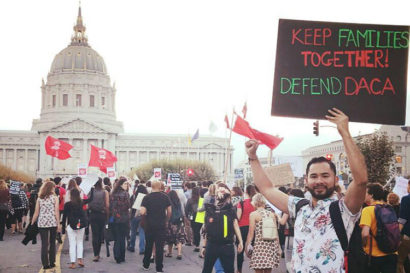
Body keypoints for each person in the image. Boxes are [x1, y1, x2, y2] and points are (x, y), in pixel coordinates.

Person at [245, 108, 368, 273]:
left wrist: (344, 132)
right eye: (314, 176)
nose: (319, 181)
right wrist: (253, 157)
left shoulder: (344, 209)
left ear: (335, 179)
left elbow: (361, 180)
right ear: (306, 180)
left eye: (325, 175)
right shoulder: (299, 206)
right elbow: (266, 188)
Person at [201, 183, 243, 273]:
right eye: (219, 189)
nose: (221, 190)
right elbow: (206, 228)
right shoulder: (210, 208)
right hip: (212, 244)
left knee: (228, 270)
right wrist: (204, 246)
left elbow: (235, 224)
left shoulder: (230, 209)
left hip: (226, 245)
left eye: (223, 189)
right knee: (207, 269)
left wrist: (240, 241)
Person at [360, 183, 398, 273]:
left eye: (365, 192)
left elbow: (365, 233)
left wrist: (363, 245)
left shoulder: (367, 210)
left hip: (375, 255)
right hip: (392, 253)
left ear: (371, 195)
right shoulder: (389, 208)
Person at [140, 180, 171, 273]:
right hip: (161, 225)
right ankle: (159, 268)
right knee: (159, 247)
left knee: (149, 245)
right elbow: (169, 211)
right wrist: (166, 220)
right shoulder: (165, 197)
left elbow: (142, 211)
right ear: (160, 186)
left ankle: (146, 265)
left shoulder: (146, 197)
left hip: (149, 225)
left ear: (151, 187)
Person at [245, 193, 280, 273]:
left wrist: (247, 246)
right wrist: (279, 248)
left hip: (259, 246)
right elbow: (275, 233)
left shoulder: (253, 215)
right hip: (271, 245)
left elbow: (251, 234)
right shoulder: (271, 214)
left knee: (258, 270)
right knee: (268, 270)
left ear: (255, 202)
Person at [31, 180, 61, 270]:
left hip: (42, 223)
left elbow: (36, 212)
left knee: (44, 243)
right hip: (52, 222)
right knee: (52, 243)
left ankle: (45, 264)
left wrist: (32, 223)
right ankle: (52, 262)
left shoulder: (40, 198)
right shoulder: (55, 198)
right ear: (51, 188)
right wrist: (58, 224)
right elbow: (56, 212)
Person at [62, 188, 91, 269]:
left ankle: (73, 263)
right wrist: (91, 189)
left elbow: (64, 217)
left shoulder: (67, 204)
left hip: (71, 226)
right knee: (79, 243)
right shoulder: (81, 202)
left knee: (72, 244)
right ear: (78, 195)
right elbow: (91, 199)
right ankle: (80, 260)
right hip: (80, 225)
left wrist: (63, 229)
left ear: (71, 195)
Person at [88, 177, 109, 262]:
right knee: (100, 235)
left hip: (93, 214)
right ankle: (98, 253)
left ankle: (95, 254)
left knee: (94, 235)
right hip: (102, 214)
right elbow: (107, 205)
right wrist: (107, 216)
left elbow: (88, 203)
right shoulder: (105, 192)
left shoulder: (91, 191)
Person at [109, 178, 130, 264]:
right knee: (122, 237)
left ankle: (117, 256)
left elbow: (111, 207)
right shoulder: (126, 194)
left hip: (115, 218)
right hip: (124, 218)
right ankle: (122, 256)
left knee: (117, 237)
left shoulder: (113, 193)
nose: (127, 185)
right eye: (125, 184)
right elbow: (128, 205)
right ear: (121, 184)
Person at [236, 184, 256, 273]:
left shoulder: (241, 203)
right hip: (253, 228)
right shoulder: (255, 204)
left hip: (241, 228)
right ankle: (256, 268)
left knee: (240, 248)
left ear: (245, 192)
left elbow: (238, 217)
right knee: (253, 249)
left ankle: (239, 270)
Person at [165, 190, 186, 260]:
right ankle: (179, 253)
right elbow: (182, 211)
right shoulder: (178, 201)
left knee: (170, 238)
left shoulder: (168, 202)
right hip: (179, 222)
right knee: (179, 238)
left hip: (171, 222)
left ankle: (170, 252)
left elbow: (168, 212)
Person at [128, 184, 148, 255]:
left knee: (133, 232)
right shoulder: (146, 197)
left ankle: (132, 246)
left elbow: (130, 206)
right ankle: (142, 248)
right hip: (143, 216)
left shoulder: (134, 196)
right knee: (142, 232)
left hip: (134, 216)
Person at [398, 180, 410, 273]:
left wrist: (397, 234)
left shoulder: (406, 199)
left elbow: (402, 219)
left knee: (399, 261)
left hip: (407, 235)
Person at [186, 187, 202, 252]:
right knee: (198, 231)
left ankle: (196, 244)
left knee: (195, 231)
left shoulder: (190, 200)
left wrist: (188, 217)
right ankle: (197, 244)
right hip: (200, 216)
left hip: (193, 217)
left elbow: (186, 210)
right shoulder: (201, 200)